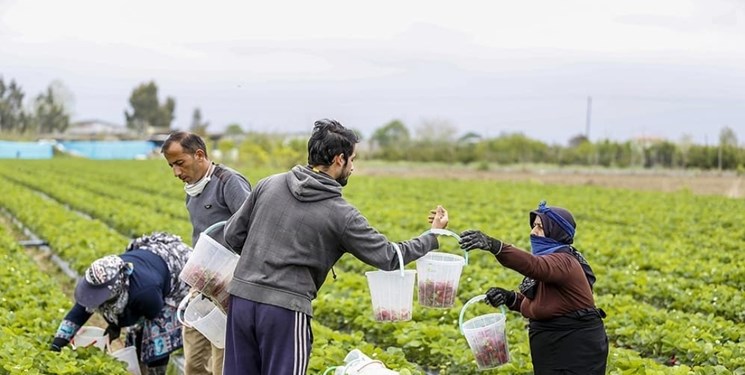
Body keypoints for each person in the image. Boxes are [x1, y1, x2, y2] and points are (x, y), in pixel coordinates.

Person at [221, 118, 449, 375]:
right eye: (353, 159)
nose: (353, 167)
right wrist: (432, 235)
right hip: (284, 310)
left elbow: (232, 235)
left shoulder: (269, 183)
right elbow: (388, 256)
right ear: (340, 159)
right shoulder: (341, 214)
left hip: (240, 300)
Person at [459, 201, 608, 375]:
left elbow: (533, 265)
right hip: (553, 348)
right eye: (533, 225)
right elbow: (541, 303)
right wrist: (509, 298)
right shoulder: (551, 262)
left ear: (556, 231)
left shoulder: (564, 262)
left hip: (576, 348)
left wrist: (494, 246)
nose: (533, 232)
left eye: (540, 227)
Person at [162, 131, 252, 375]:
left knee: (222, 361)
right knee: (193, 361)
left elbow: (254, 228)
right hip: (202, 285)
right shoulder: (193, 190)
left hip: (228, 287)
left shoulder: (228, 182)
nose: (177, 173)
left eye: (180, 163)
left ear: (199, 155)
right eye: (171, 166)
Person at [51, 232, 192, 375]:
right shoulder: (102, 278)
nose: (95, 296)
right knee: (135, 339)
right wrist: (57, 345)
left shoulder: (145, 292)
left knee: (154, 338)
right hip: (151, 260)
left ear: (116, 288)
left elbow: (152, 314)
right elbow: (78, 313)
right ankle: (138, 368)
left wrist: (117, 325)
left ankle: (155, 371)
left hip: (177, 268)